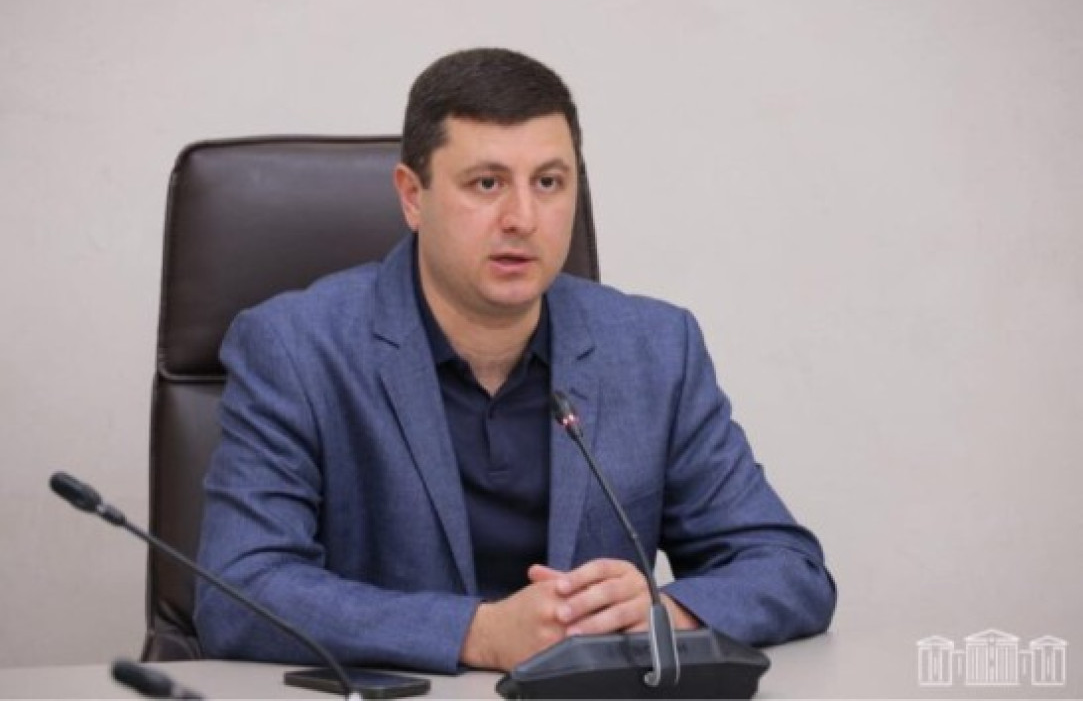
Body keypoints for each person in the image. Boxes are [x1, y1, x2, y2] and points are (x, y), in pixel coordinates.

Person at [194, 47, 836, 674]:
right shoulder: (295, 348)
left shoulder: (654, 348)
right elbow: (238, 589)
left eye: (548, 183)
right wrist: (476, 633)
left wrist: (664, 613)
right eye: (487, 184)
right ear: (412, 196)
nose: (523, 218)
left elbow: (789, 569)